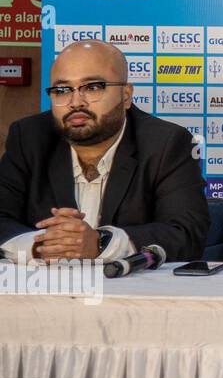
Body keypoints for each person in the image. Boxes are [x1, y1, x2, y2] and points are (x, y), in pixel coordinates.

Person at [0, 40, 209, 263]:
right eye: (62, 90)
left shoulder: (166, 143)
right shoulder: (29, 137)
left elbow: (186, 234)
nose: (75, 102)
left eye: (92, 87)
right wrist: (40, 246)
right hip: (46, 291)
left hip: (132, 293)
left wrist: (101, 243)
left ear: (126, 96)